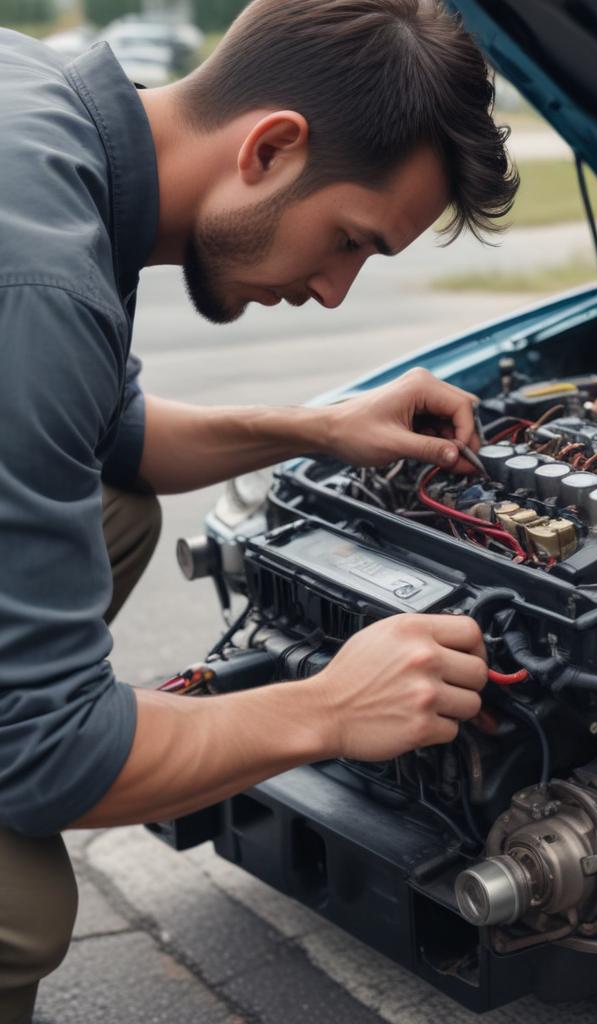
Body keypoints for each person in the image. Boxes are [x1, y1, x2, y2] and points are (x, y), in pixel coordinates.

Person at [0, 1, 519, 1019]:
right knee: (20, 904)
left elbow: (109, 432)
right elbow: (49, 763)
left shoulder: (47, 122)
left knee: (118, 507)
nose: (334, 292)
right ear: (272, 148)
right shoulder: (39, 277)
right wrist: (330, 707)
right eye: (348, 242)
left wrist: (323, 427)